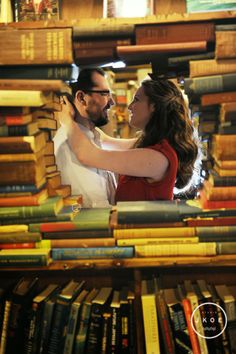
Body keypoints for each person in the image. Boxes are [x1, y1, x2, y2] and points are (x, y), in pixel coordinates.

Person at [59, 76, 199, 203]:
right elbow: (106, 141)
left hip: (140, 230)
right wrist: (85, 114)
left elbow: (87, 155)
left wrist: (67, 119)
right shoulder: (151, 147)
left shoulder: (156, 158)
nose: (130, 106)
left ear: (154, 107)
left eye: (136, 100)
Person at [54, 67, 117, 208]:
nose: (112, 102)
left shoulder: (94, 138)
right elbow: (94, 208)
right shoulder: (66, 146)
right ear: (82, 98)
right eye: (105, 94)